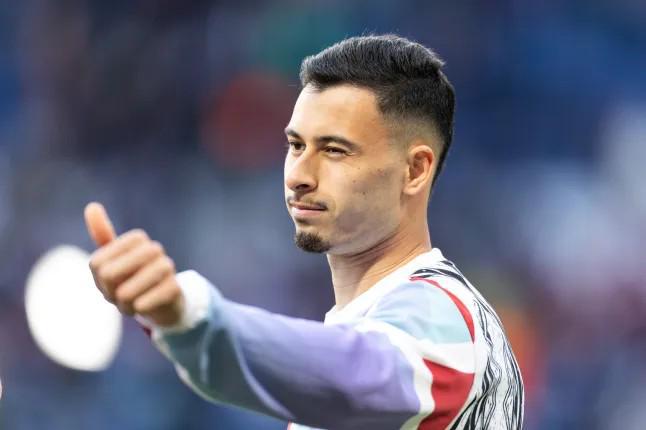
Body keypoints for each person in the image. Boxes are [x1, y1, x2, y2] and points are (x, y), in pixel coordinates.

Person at [85, 35, 524, 430]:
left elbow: (353, 375)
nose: (298, 175)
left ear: (414, 170)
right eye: (296, 145)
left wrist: (190, 317)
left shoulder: (447, 318)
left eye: (334, 150)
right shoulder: (365, 330)